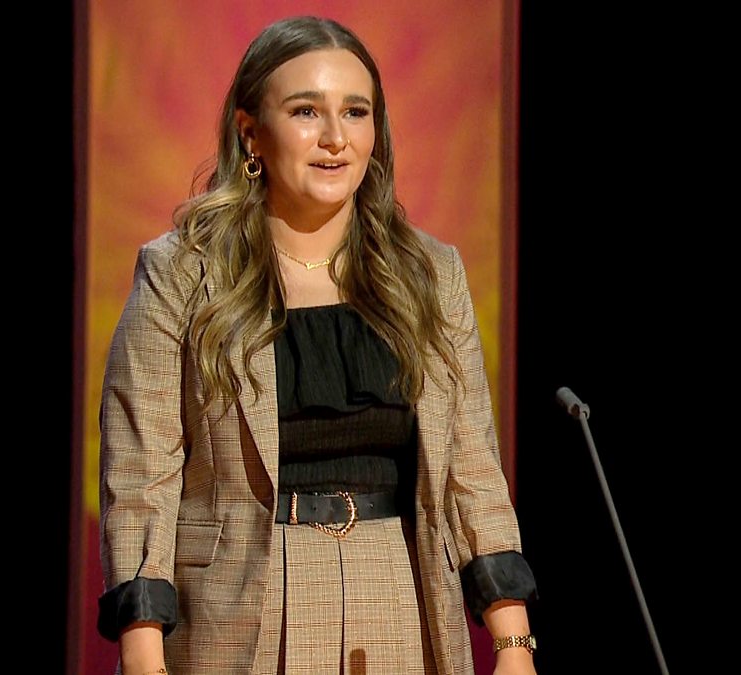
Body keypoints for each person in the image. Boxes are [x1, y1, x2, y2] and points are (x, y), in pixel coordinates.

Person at [96, 15, 538, 675]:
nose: (336, 138)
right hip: (240, 609)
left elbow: (472, 472)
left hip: (401, 596)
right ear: (251, 132)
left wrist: (514, 644)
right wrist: (142, 654)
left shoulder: (430, 273)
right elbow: (141, 475)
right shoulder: (181, 274)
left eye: (355, 112)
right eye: (306, 111)